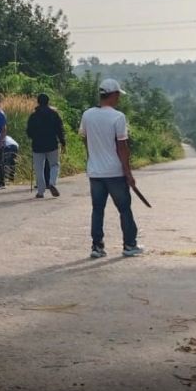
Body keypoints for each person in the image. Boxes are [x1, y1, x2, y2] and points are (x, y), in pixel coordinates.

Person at [79, 78, 144, 259]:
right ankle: (129, 244)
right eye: (118, 95)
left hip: (95, 172)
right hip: (114, 172)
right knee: (124, 208)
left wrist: (93, 155)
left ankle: (97, 246)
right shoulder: (118, 117)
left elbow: (84, 138)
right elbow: (122, 147)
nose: (119, 99)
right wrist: (128, 173)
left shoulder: (87, 115)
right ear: (113, 95)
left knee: (97, 209)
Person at [26, 92, 66, 199]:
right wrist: (63, 142)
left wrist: (34, 137)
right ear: (48, 102)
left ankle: (40, 192)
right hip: (52, 144)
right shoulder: (54, 114)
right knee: (54, 165)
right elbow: (60, 129)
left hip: (37, 145)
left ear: (38, 102)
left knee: (39, 169)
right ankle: (52, 182)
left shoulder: (33, 116)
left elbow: (29, 132)